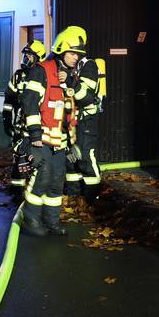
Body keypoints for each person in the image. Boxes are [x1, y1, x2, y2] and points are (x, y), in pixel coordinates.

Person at [18, 26, 85, 237]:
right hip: (42, 139)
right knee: (42, 179)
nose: (76, 57)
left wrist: (70, 82)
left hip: (60, 141)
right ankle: (31, 220)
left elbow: (75, 107)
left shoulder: (70, 77)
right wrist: (35, 135)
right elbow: (29, 103)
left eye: (78, 54)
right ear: (61, 50)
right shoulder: (42, 70)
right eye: (72, 53)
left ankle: (52, 222)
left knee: (57, 182)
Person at [4, 40, 46, 199]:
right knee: (18, 157)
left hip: (37, 127)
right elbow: (9, 99)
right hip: (19, 126)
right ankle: (17, 192)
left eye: (30, 56)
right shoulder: (18, 76)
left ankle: (34, 191)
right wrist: (6, 119)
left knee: (34, 158)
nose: (26, 59)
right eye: (25, 55)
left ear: (39, 58)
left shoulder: (42, 75)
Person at [66, 29, 105, 201]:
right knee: (70, 160)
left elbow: (85, 97)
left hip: (86, 120)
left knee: (85, 158)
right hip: (70, 121)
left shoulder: (88, 66)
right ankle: (74, 197)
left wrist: (69, 81)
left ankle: (93, 198)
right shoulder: (70, 67)